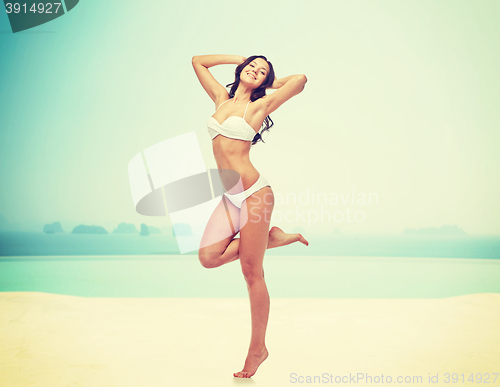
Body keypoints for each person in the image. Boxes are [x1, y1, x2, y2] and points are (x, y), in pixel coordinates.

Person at [192, 54, 309, 378]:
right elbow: (198, 62)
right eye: (252, 67)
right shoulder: (221, 98)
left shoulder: (260, 107)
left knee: (251, 273)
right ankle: (271, 238)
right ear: (241, 70)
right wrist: (242, 58)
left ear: (265, 80)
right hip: (230, 197)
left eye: (262, 71)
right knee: (208, 257)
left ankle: (258, 349)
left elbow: (299, 79)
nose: (255, 71)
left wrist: (269, 83)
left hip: (255, 194)